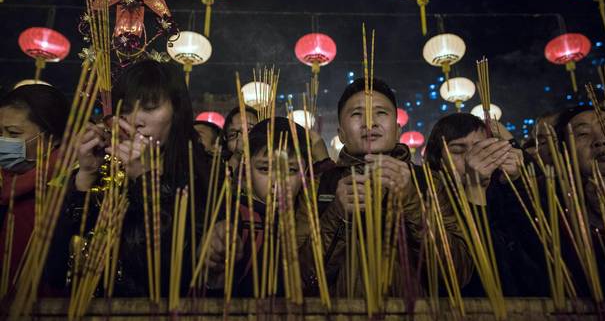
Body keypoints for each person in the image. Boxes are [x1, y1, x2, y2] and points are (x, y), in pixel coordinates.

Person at [46, 60, 216, 297]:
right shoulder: (104, 169)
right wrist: (85, 177)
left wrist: (143, 178)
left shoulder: (204, 175)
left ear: (176, 111)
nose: (136, 119)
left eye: (149, 107)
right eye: (126, 109)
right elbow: (53, 268)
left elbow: (172, 272)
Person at [297, 78, 472, 297]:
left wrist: (413, 205)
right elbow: (297, 279)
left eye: (381, 112)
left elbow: (460, 274)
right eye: (356, 114)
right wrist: (336, 215)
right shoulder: (318, 186)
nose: (370, 122)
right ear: (341, 134)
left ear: (398, 130)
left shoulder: (429, 182)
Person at [425, 112, 546, 296]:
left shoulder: (505, 191)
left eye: (481, 148)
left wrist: (518, 182)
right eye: (458, 150)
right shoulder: (431, 201)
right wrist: (474, 188)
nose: (472, 157)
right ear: (439, 161)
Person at [204, 117, 309, 296]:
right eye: (265, 169)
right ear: (246, 171)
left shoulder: (309, 218)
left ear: (305, 173)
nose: (278, 182)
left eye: (291, 170)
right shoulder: (237, 219)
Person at [0, 84, 70, 282]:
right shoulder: (5, 182)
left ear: (51, 138)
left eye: (13, 134)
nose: (3, 141)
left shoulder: (70, 187)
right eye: (0, 133)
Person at [553, 106, 605, 297]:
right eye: (582, 134)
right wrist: (594, 217)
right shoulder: (554, 209)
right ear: (564, 153)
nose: (600, 140)